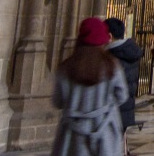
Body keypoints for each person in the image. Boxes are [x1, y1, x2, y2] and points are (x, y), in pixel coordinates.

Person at [50, 18, 129, 156]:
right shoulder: (111, 66)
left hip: (73, 135)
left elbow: (58, 101)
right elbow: (122, 95)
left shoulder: (66, 68)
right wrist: (105, 105)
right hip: (103, 132)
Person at [105, 18, 144, 134]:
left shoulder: (115, 55)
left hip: (113, 112)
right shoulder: (128, 51)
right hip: (126, 110)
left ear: (109, 36)